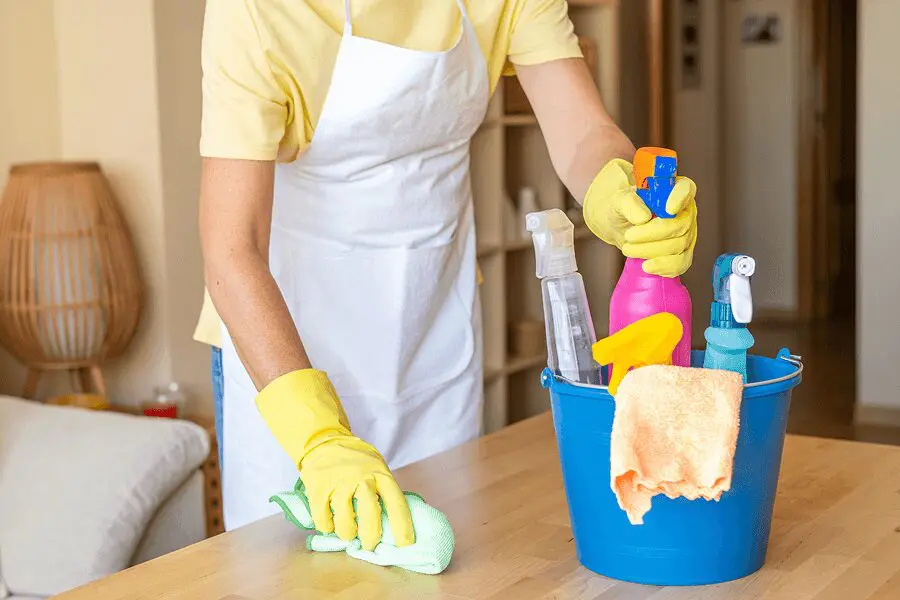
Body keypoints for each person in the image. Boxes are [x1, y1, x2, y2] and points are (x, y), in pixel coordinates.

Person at [195, 0, 698, 550]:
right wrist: (318, 438)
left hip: (432, 340)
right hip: (286, 353)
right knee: (286, 574)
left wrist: (614, 190)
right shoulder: (257, 10)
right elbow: (231, 246)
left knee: (436, 562)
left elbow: (582, 131)